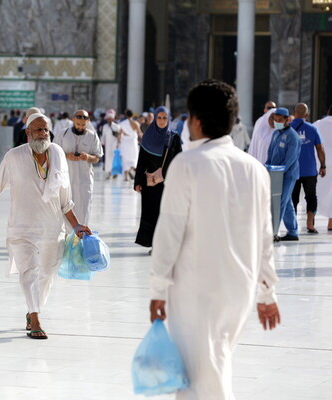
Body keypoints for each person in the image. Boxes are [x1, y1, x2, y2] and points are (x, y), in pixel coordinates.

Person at [149, 80, 280, 399]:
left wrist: (158, 288)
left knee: (204, 377)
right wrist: (266, 293)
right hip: (238, 292)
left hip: (197, 291)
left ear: (194, 120)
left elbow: (169, 233)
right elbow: (266, 237)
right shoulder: (254, 169)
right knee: (202, 372)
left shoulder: (187, 164)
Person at [0, 112, 92, 340]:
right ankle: (35, 317)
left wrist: (77, 225)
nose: (43, 133)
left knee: (48, 273)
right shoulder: (14, 156)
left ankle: (34, 310)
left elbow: (65, 200)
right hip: (23, 227)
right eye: (38, 129)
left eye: (46, 129)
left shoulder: (58, 154)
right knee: (29, 271)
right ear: (28, 133)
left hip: (52, 227)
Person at [134, 106, 182, 252]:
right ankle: (155, 244)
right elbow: (141, 160)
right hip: (150, 184)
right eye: (159, 118)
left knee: (165, 213)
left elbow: (179, 159)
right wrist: (138, 181)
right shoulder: (147, 137)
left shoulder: (173, 137)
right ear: (155, 118)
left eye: (164, 118)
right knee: (151, 213)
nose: (162, 121)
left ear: (169, 119)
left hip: (168, 183)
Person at [53, 109, 103, 227]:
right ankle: (66, 242)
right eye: (78, 124)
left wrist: (87, 157)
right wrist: (67, 156)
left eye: (83, 125)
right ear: (73, 120)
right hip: (65, 180)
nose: (80, 127)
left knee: (83, 212)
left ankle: (80, 241)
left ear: (88, 122)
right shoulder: (62, 134)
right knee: (64, 212)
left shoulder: (92, 136)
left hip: (84, 181)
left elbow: (97, 157)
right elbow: (53, 154)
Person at [266, 107, 302, 241]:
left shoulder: (293, 136)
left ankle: (273, 233)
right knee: (287, 203)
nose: (277, 122)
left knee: (280, 202)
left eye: (280, 120)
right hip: (275, 173)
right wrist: (267, 166)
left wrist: (279, 172)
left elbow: (290, 160)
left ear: (287, 120)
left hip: (287, 175)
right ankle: (293, 231)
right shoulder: (276, 133)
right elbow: (270, 153)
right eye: (275, 120)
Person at [290, 103, 326, 234]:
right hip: (310, 170)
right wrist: (323, 166)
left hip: (293, 170)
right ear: (306, 115)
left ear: (294, 112)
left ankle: (292, 226)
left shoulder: (287, 128)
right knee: (311, 197)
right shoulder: (312, 129)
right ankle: (310, 224)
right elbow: (320, 149)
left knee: (293, 198)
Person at [313, 104, 332, 231]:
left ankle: (311, 221)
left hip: (317, 163)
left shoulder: (317, 124)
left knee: (314, 192)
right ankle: (331, 223)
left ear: (328, 112)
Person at [118, 109, 141, 181]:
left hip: (125, 142)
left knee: (125, 158)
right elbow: (139, 133)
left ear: (126, 115)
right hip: (133, 142)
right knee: (134, 157)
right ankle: (130, 170)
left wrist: (118, 143)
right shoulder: (135, 123)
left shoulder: (122, 123)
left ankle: (126, 176)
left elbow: (120, 134)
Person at [100, 109, 122, 179]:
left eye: (110, 118)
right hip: (107, 145)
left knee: (114, 158)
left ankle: (114, 172)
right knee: (108, 158)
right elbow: (103, 135)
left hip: (115, 144)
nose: (109, 120)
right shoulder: (105, 126)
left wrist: (119, 143)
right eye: (108, 119)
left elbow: (120, 135)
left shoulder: (117, 126)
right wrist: (102, 143)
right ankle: (109, 173)